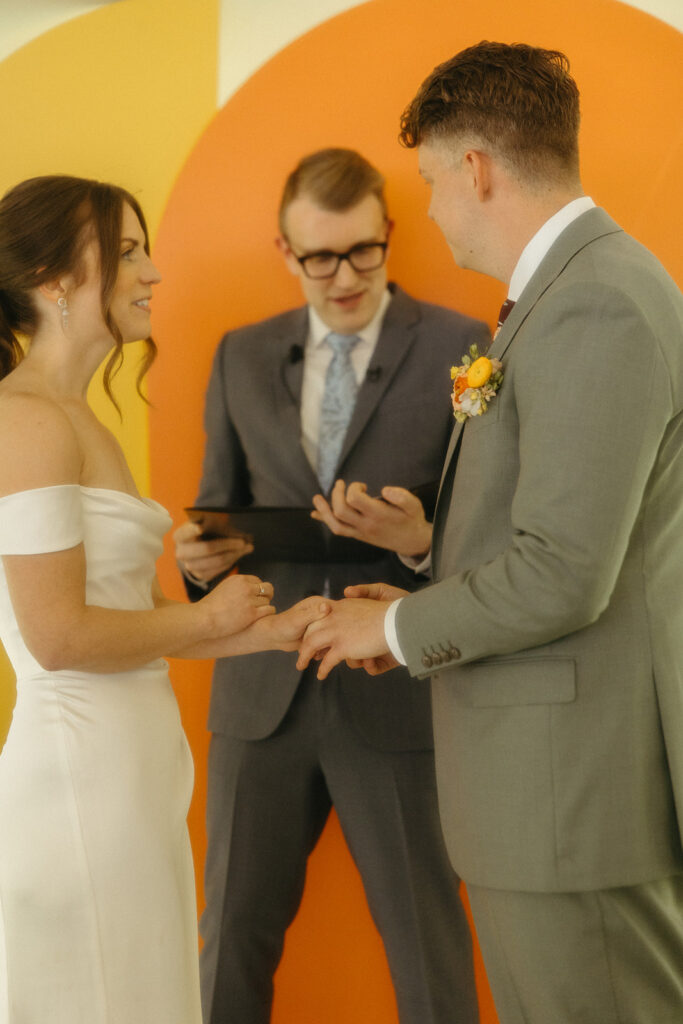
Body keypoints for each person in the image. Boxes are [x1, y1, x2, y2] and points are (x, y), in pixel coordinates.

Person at [297, 44, 683, 1024]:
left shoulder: (591, 301)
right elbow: (576, 526)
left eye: (427, 181)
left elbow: (562, 572)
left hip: (569, 803)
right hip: (543, 802)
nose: (426, 208)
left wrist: (385, 631)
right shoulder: (566, 294)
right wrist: (430, 553)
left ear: (474, 169)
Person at [0, 174, 326, 1024]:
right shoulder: (26, 422)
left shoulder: (83, 420)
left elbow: (137, 625)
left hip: (131, 781)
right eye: (130, 252)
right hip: (79, 785)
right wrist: (211, 614)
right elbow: (58, 636)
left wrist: (269, 631)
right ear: (53, 277)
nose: (152, 274)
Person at [173, 148, 489, 1024]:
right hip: (258, 696)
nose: (344, 276)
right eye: (320, 257)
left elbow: (499, 530)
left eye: (362, 251)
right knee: (230, 935)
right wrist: (197, 566)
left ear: (389, 236)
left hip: (397, 685)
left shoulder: (469, 346)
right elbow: (216, 520)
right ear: (285, 250)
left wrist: (422, 543)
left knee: (426, 941)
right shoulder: (238, 355)